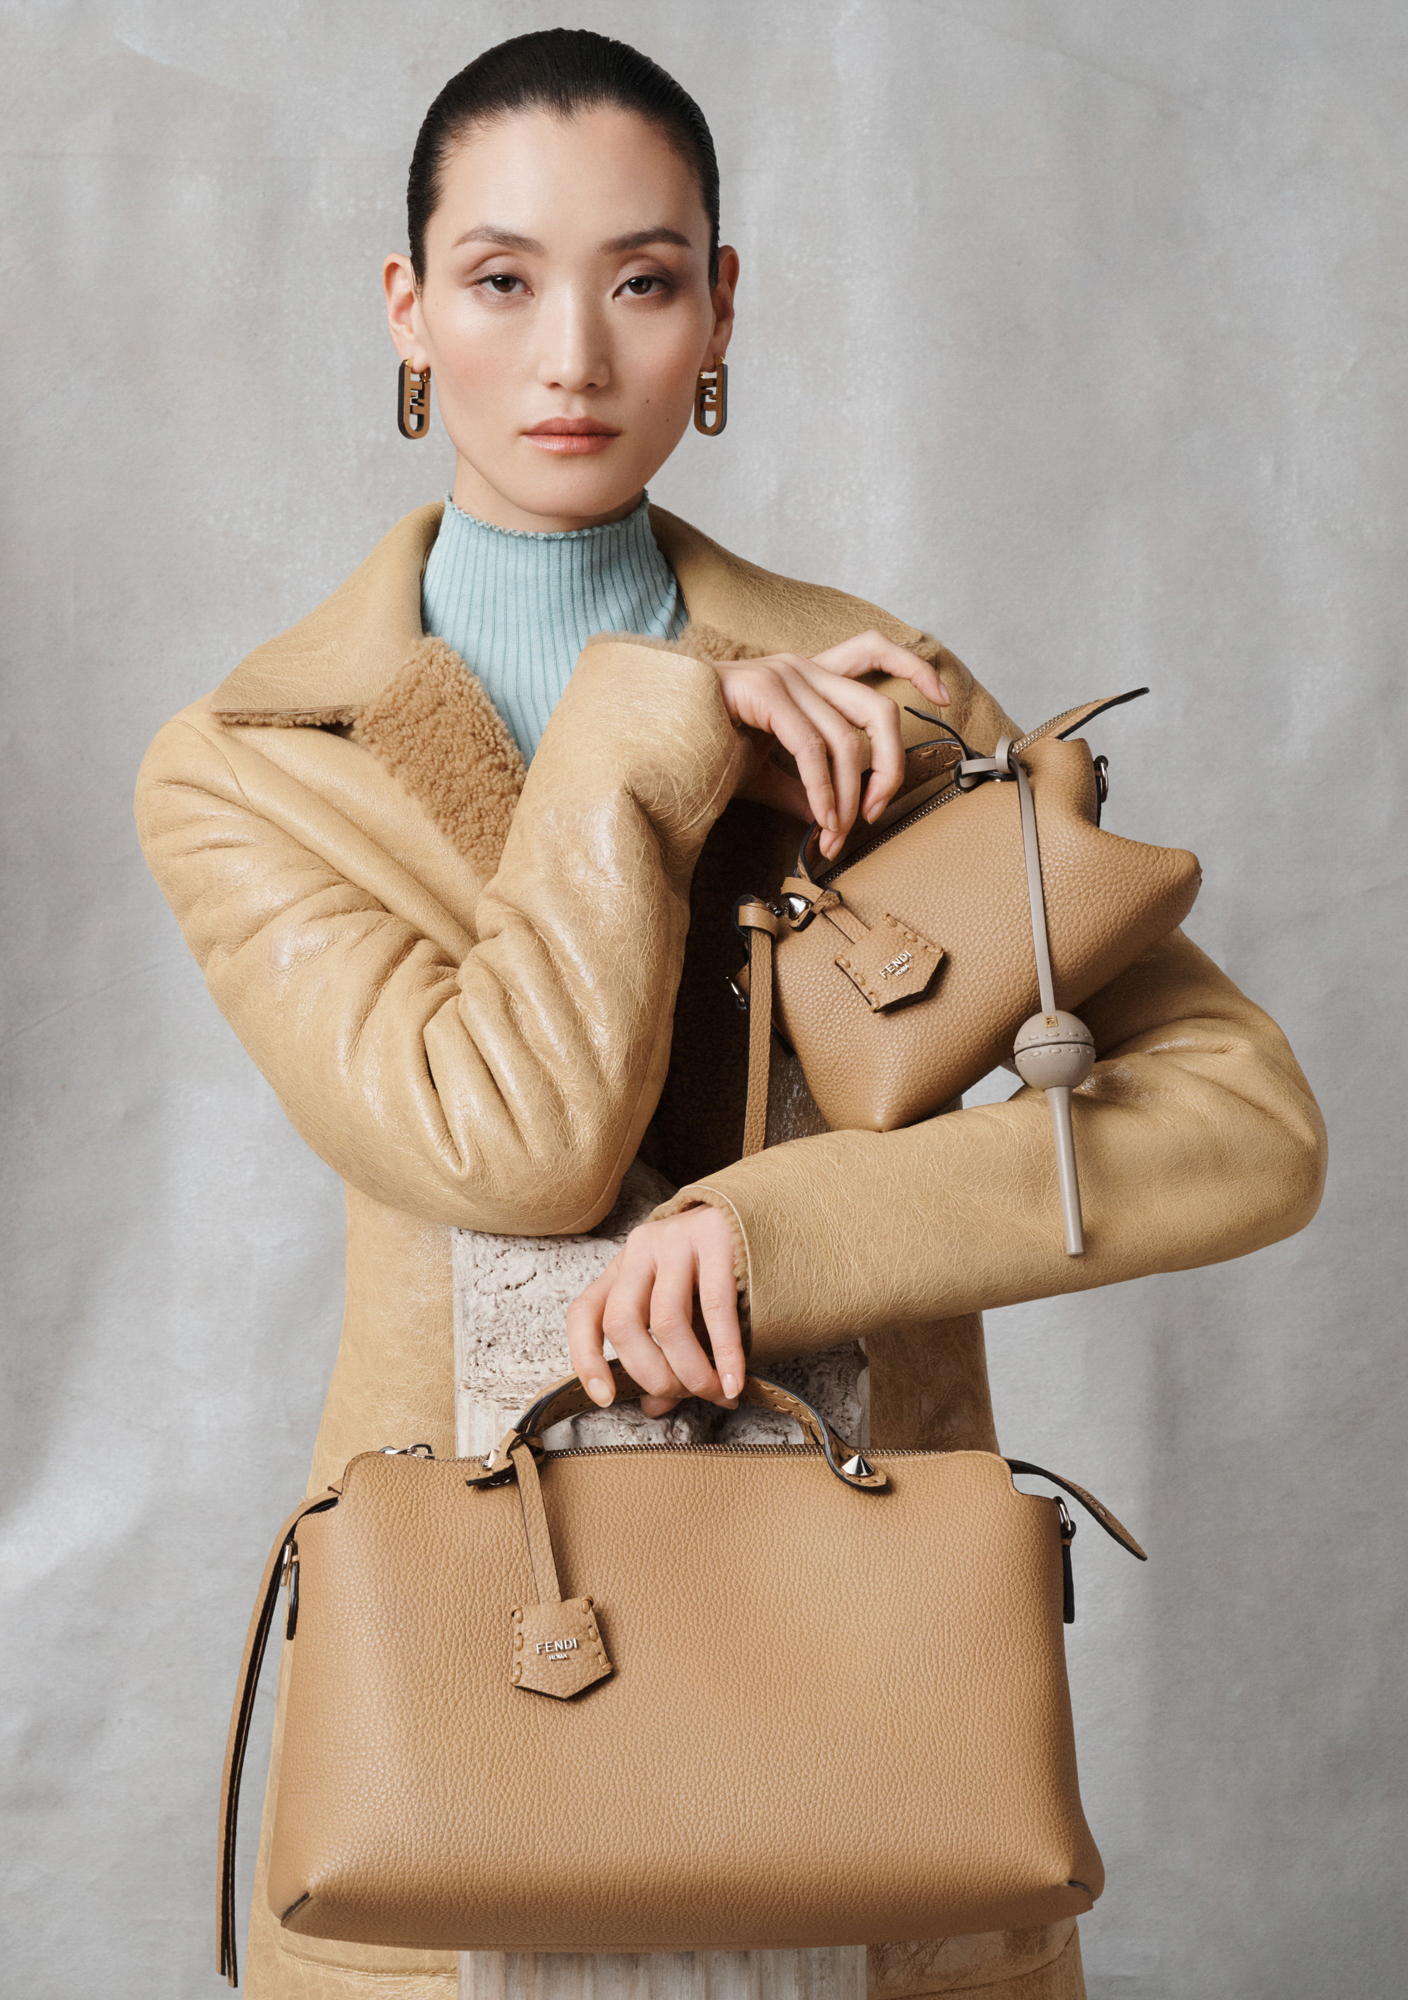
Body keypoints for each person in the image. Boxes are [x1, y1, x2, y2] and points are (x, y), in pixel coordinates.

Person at [135, 29, 1325, 2000]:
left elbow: (1244, 1123)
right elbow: (513, 1150)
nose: (571, 355)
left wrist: (791, 1231)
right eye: (501, 279)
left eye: (642, 277)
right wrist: (640, 741)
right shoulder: (256, 763)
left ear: (719, 310)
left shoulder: (880, 698)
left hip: (876, 1706)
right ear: (406, 309)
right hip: (470, 1701)